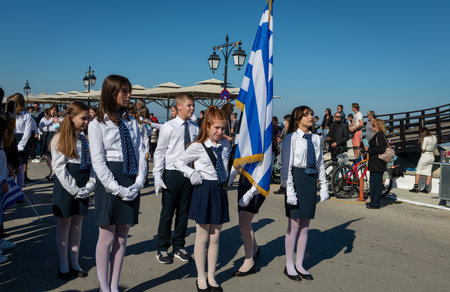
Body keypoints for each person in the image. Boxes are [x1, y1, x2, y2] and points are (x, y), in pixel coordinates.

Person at [88, 75, 147, 292]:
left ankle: (114, 286)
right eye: (124, 91)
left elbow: (141, 152)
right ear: (111, 93)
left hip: (130, 177)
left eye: (129, 90)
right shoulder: (97, 124)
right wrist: (117, 189)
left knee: (122, 236)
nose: (129, 95)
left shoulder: (131, 122)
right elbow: (98, 161)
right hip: (110, 179)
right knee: (107, 236)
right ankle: (104, 287)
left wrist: (139, 181)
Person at [174, 105, 230, 292]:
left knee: (215, 237)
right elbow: (178, 162)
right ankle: (200, 277)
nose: (220, 132)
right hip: (204, 190)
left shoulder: (226, 145)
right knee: (202, 236)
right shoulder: (198, 147)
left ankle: (212, 276)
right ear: (207, 126)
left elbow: (226, 166)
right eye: (216, 128)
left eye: (223, 128)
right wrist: (191, 173)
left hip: (219, 190)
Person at [50, 102, 95, 280]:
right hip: (67, 186)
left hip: (83, 186)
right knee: (64, 225)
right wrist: (75, 190)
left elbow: (91, 165)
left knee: (77, 225)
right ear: (72, 118)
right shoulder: (59, 138)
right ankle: (63, 264)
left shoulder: (85, 139)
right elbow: (59, 168)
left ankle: (75, 262)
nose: (86, 122)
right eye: (83, 118)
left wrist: (90, 185)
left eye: (88, 118)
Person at [284, 105, 329, 281]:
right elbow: (286, 166)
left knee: (305, 225)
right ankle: (289, 264)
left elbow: (320, 163)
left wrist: (324, 185)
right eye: (306, 115)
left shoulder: (316, 139)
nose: (310, 117)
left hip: (310, 179)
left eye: (311, 114)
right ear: (298, 119)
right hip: (296, 178)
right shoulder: (291, 138)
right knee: (294, 225)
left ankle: (300, 264)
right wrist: (290, 190)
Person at [153, 92, 199, 264]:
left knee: (184, 213)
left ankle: (179, 245)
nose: (192, 108)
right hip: (172, 173)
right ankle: (162, 247)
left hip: (188, 174)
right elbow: (160, 152)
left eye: (193, 105)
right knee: (167, 213)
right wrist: (157, 175)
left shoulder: (195, 127)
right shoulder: (168, 126)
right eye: (189, 105)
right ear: (179, 106)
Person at [7, 93, 33, 191]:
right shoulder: (8, 115)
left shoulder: (26, 116)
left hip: (21, 141)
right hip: (10, 140)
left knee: (20, 168)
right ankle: (9, 189)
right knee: (8, 166)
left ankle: (19, 190)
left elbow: (27, 132)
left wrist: (20, 146)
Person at [364, 119, 388, 209]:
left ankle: (375, 203)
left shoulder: (381, 136)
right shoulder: (377, 135)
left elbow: (381, 149)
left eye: (373, 126)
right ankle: (373, 201)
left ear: (378, 126)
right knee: (373, 183)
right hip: (374, 163)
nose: (372, 127)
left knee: (377, 184)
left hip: (378, 163)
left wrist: (368, 150)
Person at [409, 127, 437, 194]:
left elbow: (423, 149)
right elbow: (435, 146)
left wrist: (421, 144)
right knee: (429, 173)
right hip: (431, 156)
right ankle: (426, 188)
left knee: (418, 171)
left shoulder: (425, 139)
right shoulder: (434, 137)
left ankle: (416, 187)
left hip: (425, 156)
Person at [40, 105, 60, 180]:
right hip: (49, 135)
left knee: (54, 154)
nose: (53, 112)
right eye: (51, 110)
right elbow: (41, 125)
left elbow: (57, 128)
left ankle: (54, 172)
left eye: (54, 110)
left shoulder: (60, 118)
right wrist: (51, 121)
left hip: (56, 135)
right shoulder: (46, 118)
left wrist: (57, 122)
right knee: (46, 154)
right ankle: (51, 170)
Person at [274, 114, 291, 195]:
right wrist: (280, 140)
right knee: (281, 170)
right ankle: (282, 187)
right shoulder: (284, 129)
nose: (284, 122)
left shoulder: (291, 131)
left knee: (287, 172)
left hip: (287, 154)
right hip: (282, 152)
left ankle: (286, 188)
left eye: (285, 121)